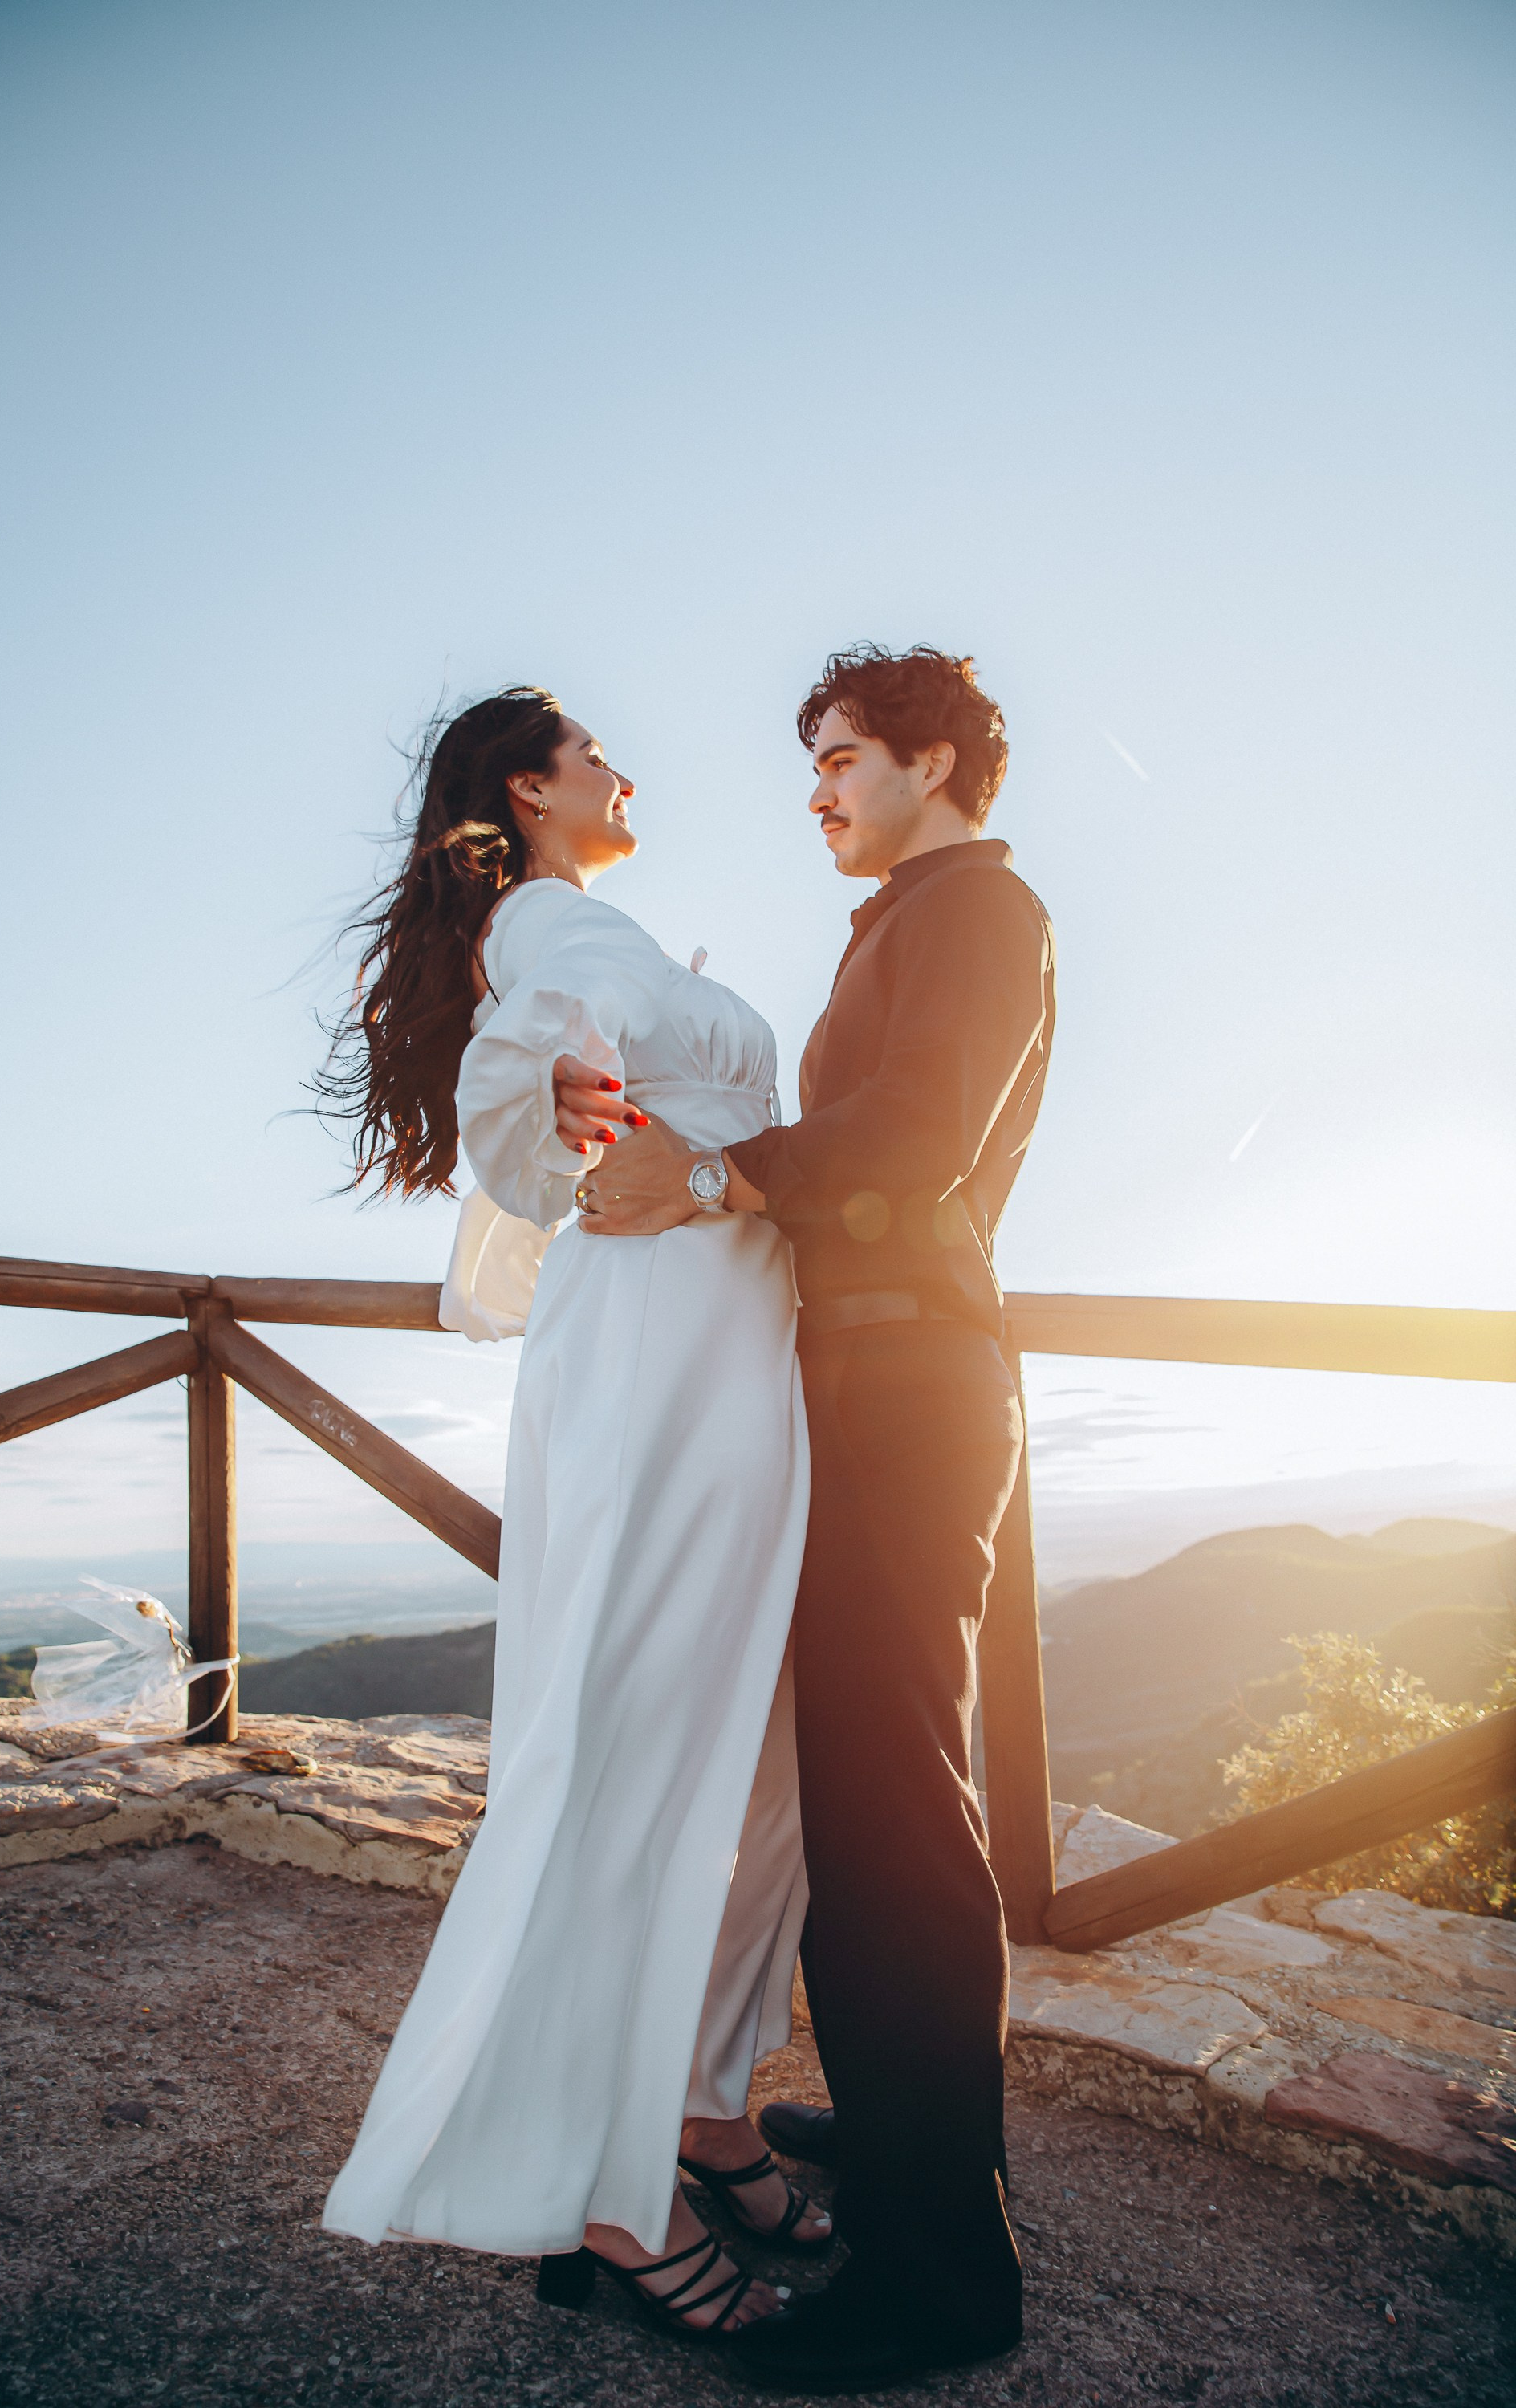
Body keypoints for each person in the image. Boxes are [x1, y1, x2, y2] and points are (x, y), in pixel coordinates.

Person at [555, 644, 1056, 2390]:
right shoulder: (905, 920)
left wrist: (700, 1176)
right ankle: (923, 2150)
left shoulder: (978, 911)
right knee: (866, 1816)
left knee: (895, 1830)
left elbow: (907, 1138)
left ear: (931, 760)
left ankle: (940, 2284)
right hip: (865, 1390)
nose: (819, 791)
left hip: (911, 1398)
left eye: (840, 756)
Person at [318, 688, 831, 2340]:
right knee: (646, 1757)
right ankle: (609, 2201)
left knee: (754, 1763)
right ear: (534, 794)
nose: (624, 767)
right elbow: (518, 1097)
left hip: (722, 1366)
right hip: (666, 1377)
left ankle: (698, 2110)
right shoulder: (563, 934)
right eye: (594, 751)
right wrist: (550, 1133)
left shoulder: (594, 933)